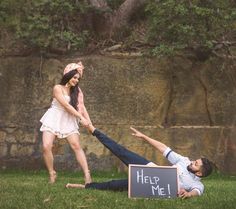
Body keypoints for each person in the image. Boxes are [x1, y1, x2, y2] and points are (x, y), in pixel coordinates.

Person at [66, 124, 213, 199]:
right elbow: (164, 148)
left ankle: (84, 187)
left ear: (199, 173)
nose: (192, 161)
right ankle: (94, 130)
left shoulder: (197, 184)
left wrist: (187, 195)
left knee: (114, 185)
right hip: (150, 169)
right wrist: (144, 137)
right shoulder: (184, 160)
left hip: (151, 186)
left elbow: (196, 192)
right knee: (121, 151)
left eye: (196, 164)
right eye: (195, 160)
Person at [40, 61, 92, 184]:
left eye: (78, 79)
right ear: (68, 75)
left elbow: (82, 107)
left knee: (76, 146)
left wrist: (89, 122)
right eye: (74, 77)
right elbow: (66, 106)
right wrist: (81, 118)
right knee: (46, 146)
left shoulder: (77, 92)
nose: (76, 80)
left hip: (68, 119)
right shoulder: (57, 88)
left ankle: (87, 174)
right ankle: (52, 173)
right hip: (54, 116)